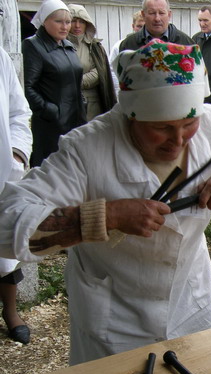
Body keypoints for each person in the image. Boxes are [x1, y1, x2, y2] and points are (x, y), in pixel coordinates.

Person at [0, 40, 211, 364]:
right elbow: (6, 223)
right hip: (114, 317)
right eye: (161, 128)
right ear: (131, 114)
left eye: (189, 124)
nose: (179, 140)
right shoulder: (87, 149)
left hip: (191, 299)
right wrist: (107, 215)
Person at [23, 0, 86, 167]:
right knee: (51, 173)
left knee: (74, 170)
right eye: (58, 21)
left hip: (76, 120)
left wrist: (82, 104)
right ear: (44, 21)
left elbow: (76, 79)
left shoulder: (68, 45)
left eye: (67, 22)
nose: (65, 27)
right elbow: (28, 87)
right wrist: (49, 110)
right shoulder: (33, 46)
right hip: (50, 126)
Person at [0, 46, 32, 345]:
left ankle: (11, 312)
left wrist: (17, 153)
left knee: (4, 253)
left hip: (1, 171)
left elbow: (17, 110)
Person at [68, 4, 116, 121]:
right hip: (67, 102)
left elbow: (100, 71)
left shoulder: (95, 47)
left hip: (92, 105)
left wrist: (77, 81)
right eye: (73, 21)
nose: (77, 25)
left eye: (82, 22)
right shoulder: (59, 46)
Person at [119, 0, 192, 52]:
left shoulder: (187, 43)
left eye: (161, 13)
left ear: (169, 15)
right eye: (152, 13)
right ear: (143, 14)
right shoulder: (128, 44)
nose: (157, 18)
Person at [109, 11, 145, 95]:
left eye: (144, 26)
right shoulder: (120, 45)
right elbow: (112, 70)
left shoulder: (153, 47)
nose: (142, 30)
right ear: (133, 26)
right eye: (139, 26)